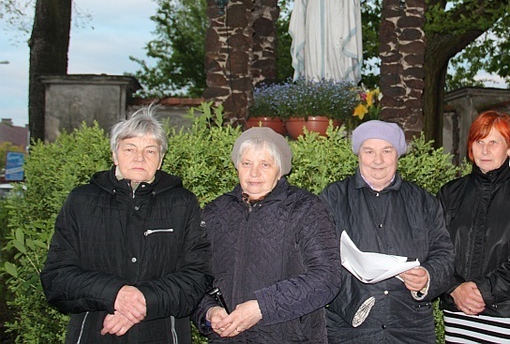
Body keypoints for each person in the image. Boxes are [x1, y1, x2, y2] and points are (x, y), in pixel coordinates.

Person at [41, 105, 211, 342]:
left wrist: (143, 300)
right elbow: (56, 277)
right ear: (114, 154)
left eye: (150, 151)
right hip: (95, 333)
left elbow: (197, 276)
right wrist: (115, 294)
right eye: (129, 148)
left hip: (161, 333)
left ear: (160, 159)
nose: (139, 158)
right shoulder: (81, 201)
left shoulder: (183, 203)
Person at [193, 127, 341, 342]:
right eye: (246, 164)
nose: (254, 173)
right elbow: (196, 275)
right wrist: (208, 312)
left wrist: (262, 307)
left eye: (265, 164)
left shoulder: (306, 209)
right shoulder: (215, 212)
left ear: (279, 170)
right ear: (237, 166)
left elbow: (327, 277)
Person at [319, 120, 455, 343]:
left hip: (410, 329)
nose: (378, 160)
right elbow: (318, 259)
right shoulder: (333, 198)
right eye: (369, 151)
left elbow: (444, 254)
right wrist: (352, 301)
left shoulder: (423, 202)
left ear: (398, 155)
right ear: (359, 154)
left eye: (387, 150)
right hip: (349, 329)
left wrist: (428, 277)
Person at [438, 111, 510, 343]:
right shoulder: (450, 193)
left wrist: (483, 291)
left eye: (494, 142)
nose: (485, 150)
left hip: (506, 313)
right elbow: (436, 248)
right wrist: (454, 287)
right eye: (479, 142)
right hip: (458, 312)